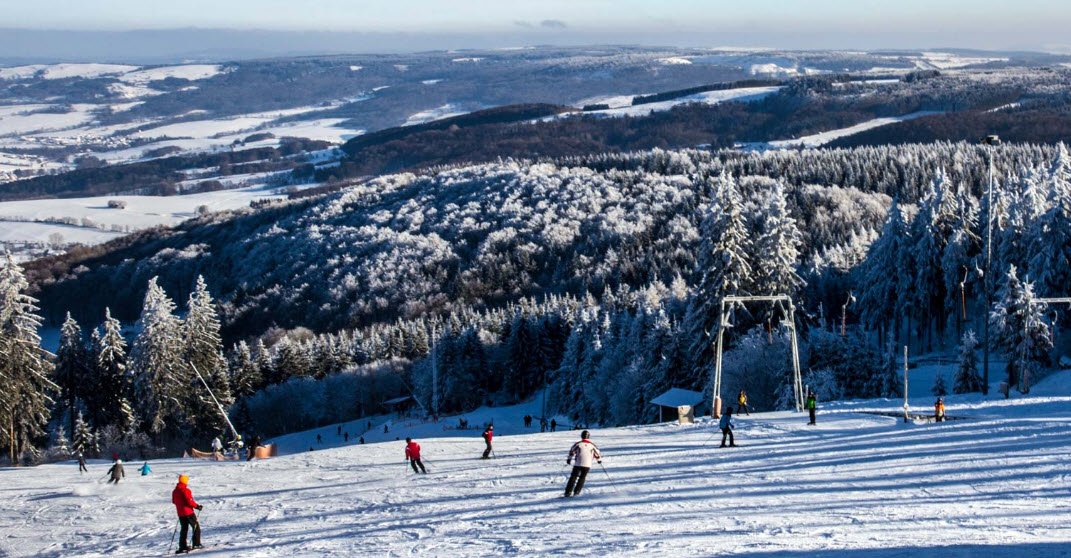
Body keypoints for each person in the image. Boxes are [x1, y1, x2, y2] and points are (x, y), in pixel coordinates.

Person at [172, 474, 203, 554]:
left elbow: (174, 501)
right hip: (188, 512)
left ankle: (182, 547)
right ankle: (196, 544)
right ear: (185, 481)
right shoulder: (185, 490)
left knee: (184, 529)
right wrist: (197, 506)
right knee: (196, 527)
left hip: (180, 513)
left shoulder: (175, 491)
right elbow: (189, 501)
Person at [564, 430, 601, 497]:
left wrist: (569, 459)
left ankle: (568, 492)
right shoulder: (592, 445)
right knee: (582, 478)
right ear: (588, 437)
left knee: (573, 477)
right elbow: (597, 453)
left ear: (581, 436)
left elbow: (572, 451)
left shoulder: (578, 444)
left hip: (578, 463)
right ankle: (577, 492)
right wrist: (599, 460)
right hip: (587, 464)